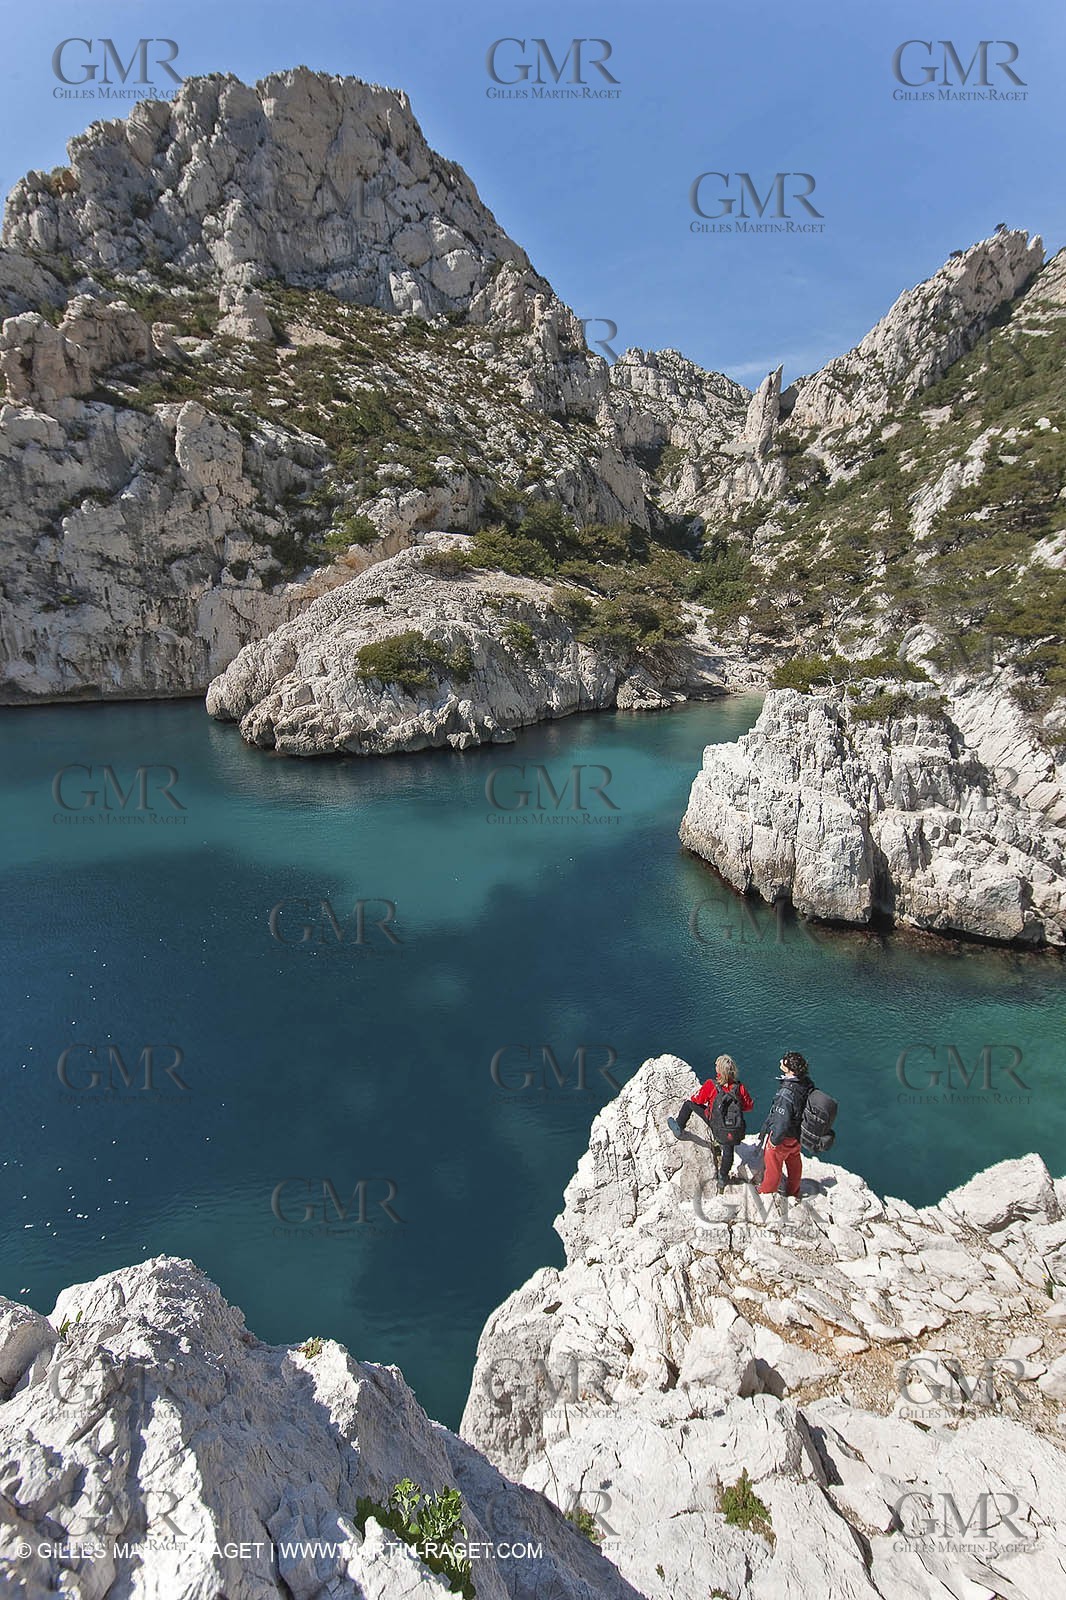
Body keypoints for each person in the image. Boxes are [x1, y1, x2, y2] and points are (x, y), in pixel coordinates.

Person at [668, 1055, 754, 1186]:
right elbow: (749, 1106)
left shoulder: (711, 1085)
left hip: (714, 1122)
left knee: (688, 1104)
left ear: (719, 1070)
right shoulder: (739, 1088)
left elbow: (697, 1100)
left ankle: (678, 1128)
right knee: (728, 1150)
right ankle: (723, 1178)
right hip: (733, 1127)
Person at [758, 1051, 813, 1202]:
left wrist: (774, 1142)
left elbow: (782, 1121)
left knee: (773, 1166)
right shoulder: (806, 1083)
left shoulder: (786, 1093)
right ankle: (793, 1191)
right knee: (794, 1162)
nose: (781, 1061)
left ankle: (767, 1193)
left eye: (784, 1061)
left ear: (790, 1069)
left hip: (784, 1137)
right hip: (797, 1135)